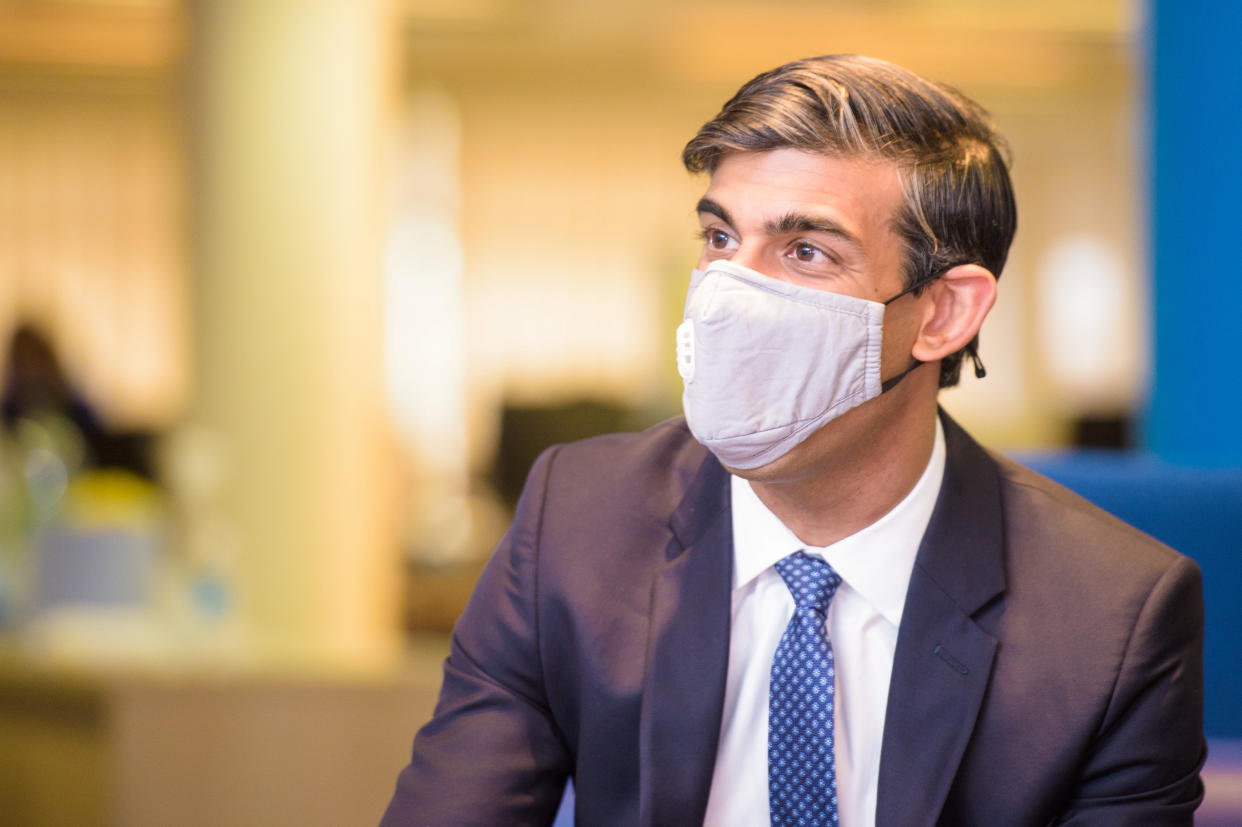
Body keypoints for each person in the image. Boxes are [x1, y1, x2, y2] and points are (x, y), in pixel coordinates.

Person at [381, 54, 1205, 826]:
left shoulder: (1111, 618)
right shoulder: (577, 521)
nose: (732, 293)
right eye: (719, 239)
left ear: (945, 313)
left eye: (805, 250)